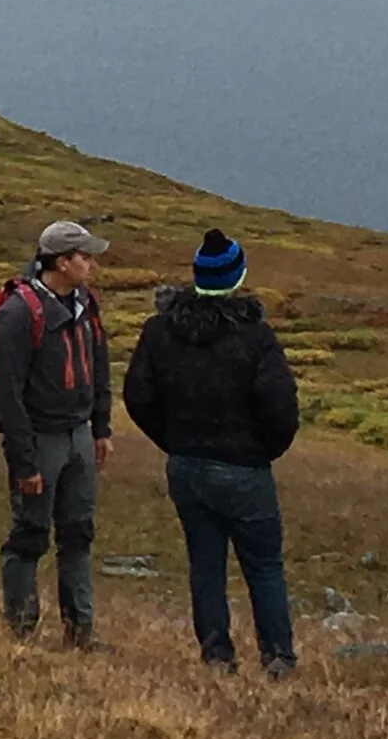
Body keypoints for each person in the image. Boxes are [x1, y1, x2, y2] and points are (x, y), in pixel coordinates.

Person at [121, 227, 301, 675]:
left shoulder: (160, 330)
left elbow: (138, 396)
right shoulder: (256, 337)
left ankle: (217, 655)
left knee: (205, 562)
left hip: (186, 465)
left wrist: (174, 440)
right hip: (245, 469)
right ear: (238, 277)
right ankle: (277, 655)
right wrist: (264, 451)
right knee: (263, 565)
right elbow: (281, 408)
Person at [0, 220, 114, 646]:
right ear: (62, 262)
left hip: (78, 434)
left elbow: (99, 365)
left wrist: (100, 427)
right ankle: (21, 630)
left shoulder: (85, 303)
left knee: (78, 531)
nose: (93, 264)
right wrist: (24, 461)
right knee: (29, 534)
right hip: (41, 439)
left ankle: (80, 631)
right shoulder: (18, 314)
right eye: (85, 257)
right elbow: (8, 395)